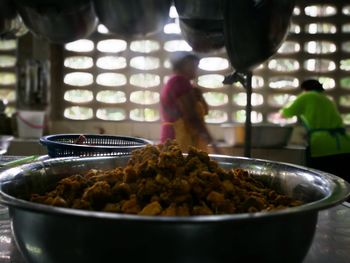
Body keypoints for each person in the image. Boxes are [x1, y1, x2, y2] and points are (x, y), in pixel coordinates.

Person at [280, 79, 350, 182]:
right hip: (344, 144)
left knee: (326, 183)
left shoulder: (307, 96)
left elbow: (286, 113)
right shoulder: (326, 99)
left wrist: (282, 110)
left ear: (304, 89)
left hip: (323, 146)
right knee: (345, 183)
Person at [160, 51, 217, 153]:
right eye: (193, 65)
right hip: (178, 139)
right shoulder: (180, 81)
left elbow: (204, 111)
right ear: (183, 65)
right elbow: (192, 117)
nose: (196, 68)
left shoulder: (177, 82)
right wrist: (214, 145)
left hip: (172, 137)